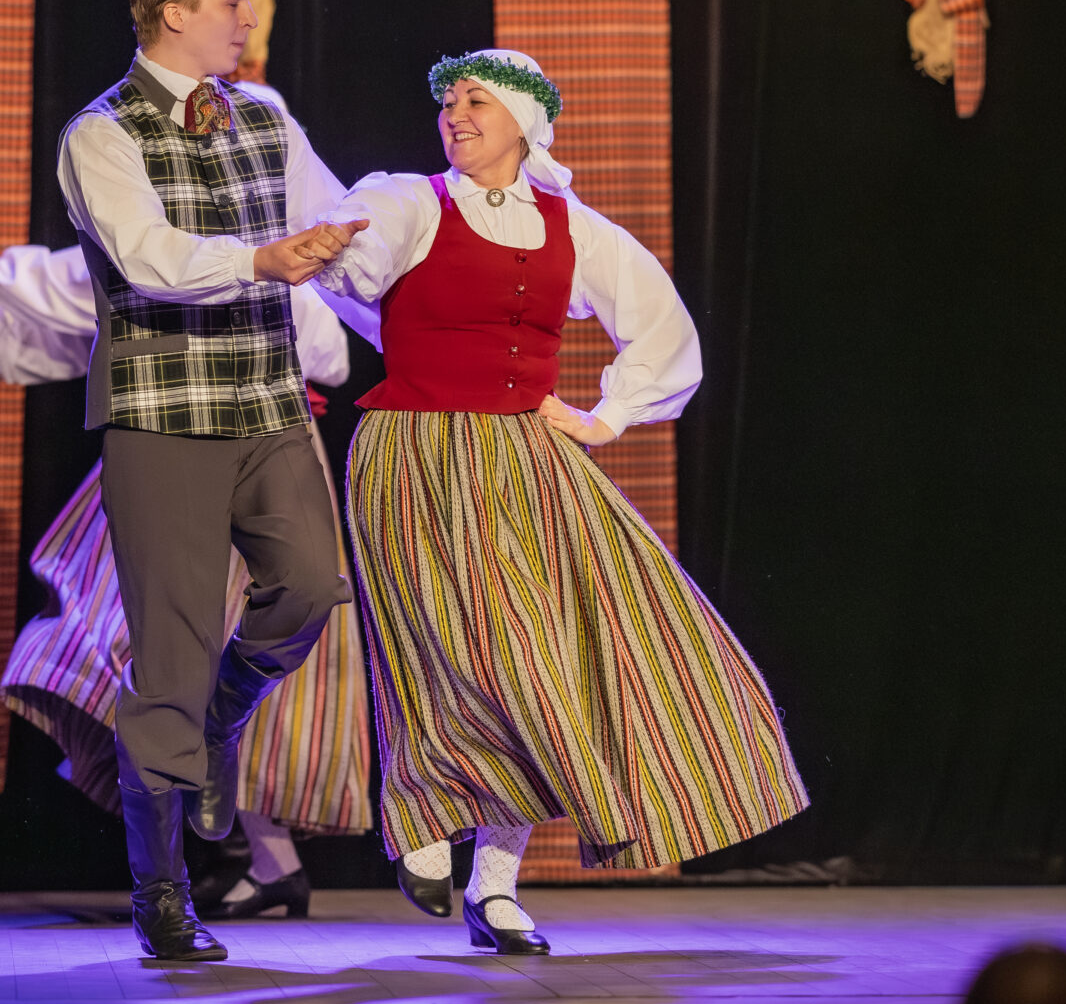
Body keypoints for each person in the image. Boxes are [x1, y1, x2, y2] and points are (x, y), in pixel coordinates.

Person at [315, 50, 809, 955]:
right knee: (439, 640)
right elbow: (359, 262)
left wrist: (606, 417)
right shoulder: (410, 201)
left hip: (527, 459)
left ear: (525, 120)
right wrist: (343, 250)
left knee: (546, 658)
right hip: (415, 452)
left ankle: (495, 884)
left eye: (476, 100)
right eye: (449, 102)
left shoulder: (573, 228)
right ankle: (423, 815)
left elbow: (662, 328)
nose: (456, 114)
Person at [0, 0, 364, 961]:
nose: (247, 16)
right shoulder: (100, 133)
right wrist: (262, 257)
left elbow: (338, 220)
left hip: (269, 407)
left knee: (311, 586)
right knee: (169, 659)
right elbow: (149, 257)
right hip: (162, 420)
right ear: (174, 12)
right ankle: (162, 893)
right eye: (233, 0)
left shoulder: (266, 116)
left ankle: (220, 720)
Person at [0, 232, 374, 922]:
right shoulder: (160, 228)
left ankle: (251, 863)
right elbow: (93, 291)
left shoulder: (271, 222)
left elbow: (329, 350)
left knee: (234, 653)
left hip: (261, 443)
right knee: (151, 646)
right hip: (174, 429)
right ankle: (221, 872)